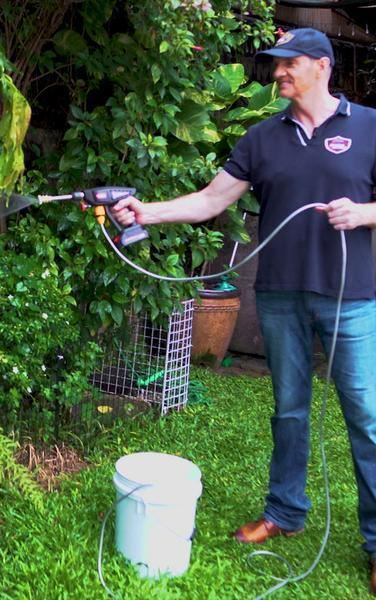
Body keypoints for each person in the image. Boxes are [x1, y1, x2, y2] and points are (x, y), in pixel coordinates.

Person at [111, 27, 376, 592]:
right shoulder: (262, 138)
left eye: (289, 63)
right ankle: (285, 511)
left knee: (367, 418)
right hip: (279, 295)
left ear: (322, 66)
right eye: (276, 64)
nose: (278, 72)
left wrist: (365, 213)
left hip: (351, 298)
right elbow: (211, 200)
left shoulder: (370, 126)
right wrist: (145, 212)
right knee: (289, 410)